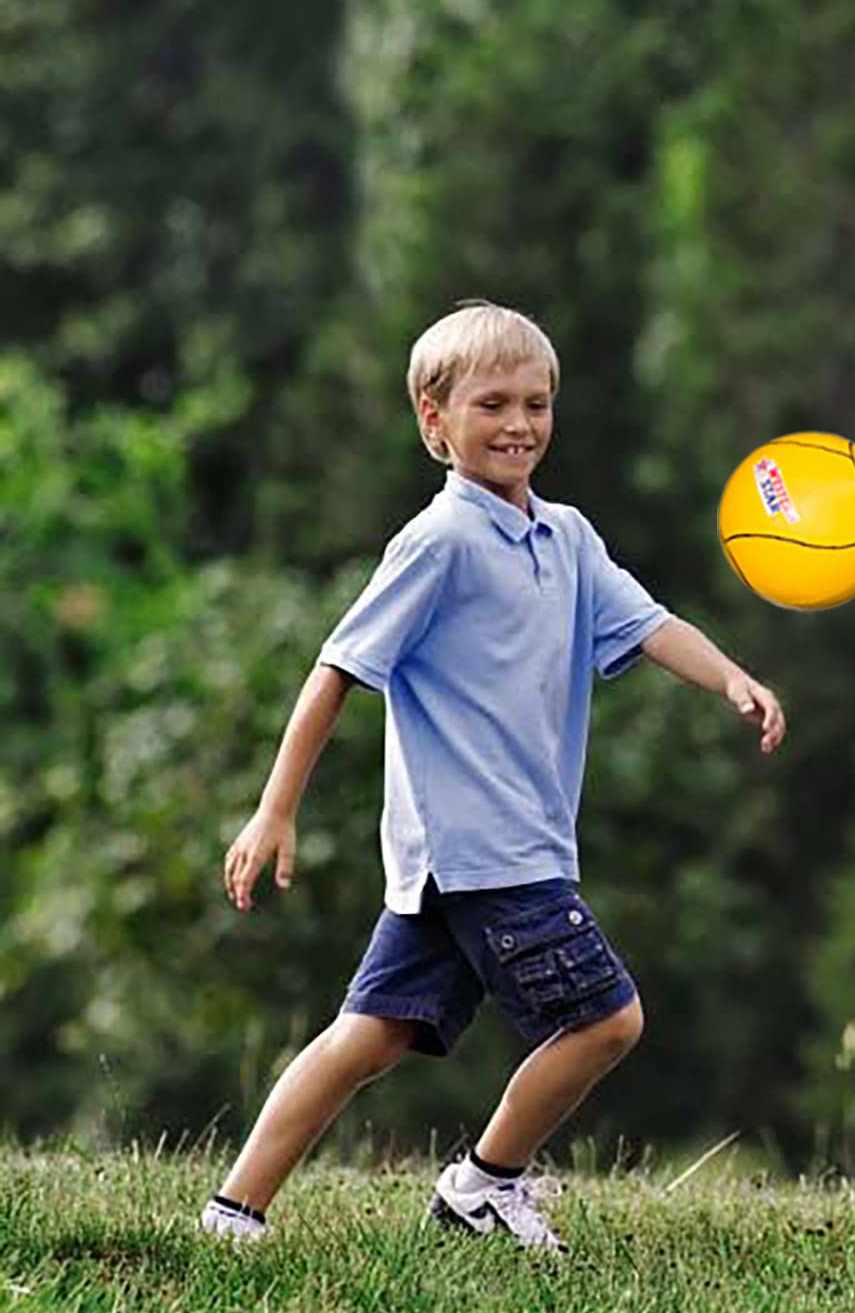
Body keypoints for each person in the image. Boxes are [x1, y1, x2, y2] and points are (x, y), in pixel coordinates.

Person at [200, 300, 785, 1252]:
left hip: (472, 854)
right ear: (434, 421)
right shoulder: (439, 542)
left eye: (536, 404)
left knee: (372, 1033)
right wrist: (276, 811)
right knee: (608, 1021)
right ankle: (482, 1184)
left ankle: (234, 1211)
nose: (519, 424)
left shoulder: (568, 537)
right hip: (487, 845)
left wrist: (730, 678)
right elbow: (337, 669)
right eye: (493, 405)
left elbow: (648, 625)